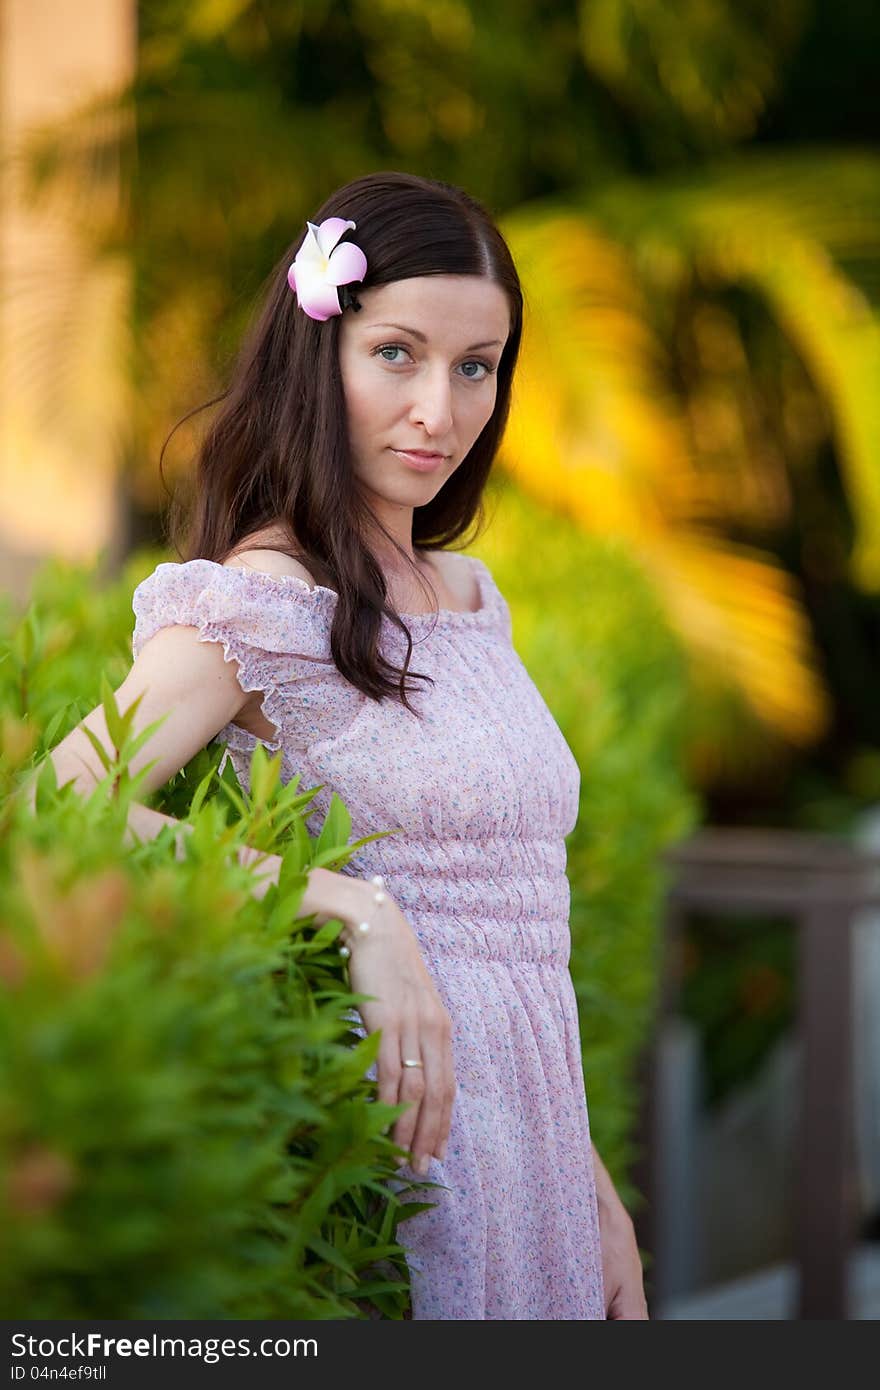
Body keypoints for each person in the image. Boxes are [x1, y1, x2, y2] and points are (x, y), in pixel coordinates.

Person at [33, 171, 648, 1320]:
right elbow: (57, 806)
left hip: (545, 1168)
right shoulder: (261, 599)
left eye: (477, 366)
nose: (441, 412)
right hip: (414, 1155)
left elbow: (527, 943)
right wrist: (351, 909)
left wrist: (595, 1191)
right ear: (322, 351)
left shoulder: (471, 595)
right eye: (398, 354)